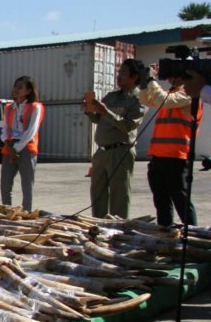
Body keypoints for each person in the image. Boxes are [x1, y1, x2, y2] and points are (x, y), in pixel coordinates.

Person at [83, 59, 146, 218]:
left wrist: (105, 112)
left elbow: (128, 126)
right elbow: (99, 119)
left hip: (120, 151)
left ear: (135, 76)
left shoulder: (139, 99)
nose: (119, 76)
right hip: (101, 152)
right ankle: (97, 228)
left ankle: (117, 231)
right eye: (118, 73)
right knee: (98, 193)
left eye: (123, 73)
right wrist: (90, 111)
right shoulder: (111, 97)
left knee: (119, 194)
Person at [141, 70, 200, 225]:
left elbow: (163, 100)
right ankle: (165, 233)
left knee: (181, 200)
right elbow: (146, 100)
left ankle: (193, 235)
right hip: (158, 157)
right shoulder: (169, 94)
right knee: (162, 202)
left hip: (176, 157)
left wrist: (151, 80)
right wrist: (143, 83)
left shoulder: (188, 95)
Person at [0, 76, 45, 211]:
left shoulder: (35, 107)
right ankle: (7, 211)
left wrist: (17, 149)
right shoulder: (9, 107)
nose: (16, 89)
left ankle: (26, 213)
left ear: (28, 90)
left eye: (20, 87)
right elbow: (5, 130)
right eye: (15, 86)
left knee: (27, 185)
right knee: (5, 185)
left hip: (26, 148)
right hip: (9, 148)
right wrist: (9, 146)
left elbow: (31, 131)